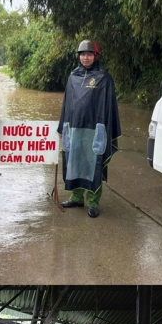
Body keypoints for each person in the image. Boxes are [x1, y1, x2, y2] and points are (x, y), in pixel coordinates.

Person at [56, 40, 121, 217]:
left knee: (94, 165)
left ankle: (93, 201)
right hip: (74, 127)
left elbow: (109, 107)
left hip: (95, 129)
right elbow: (66, 104)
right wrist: (62, 126)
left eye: (89, 54)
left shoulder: (104, 78)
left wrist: (108, 130)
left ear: (95, 56)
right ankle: (76, 197)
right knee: (74, 162)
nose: (85, 57)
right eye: (82, 54)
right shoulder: (73, 77)